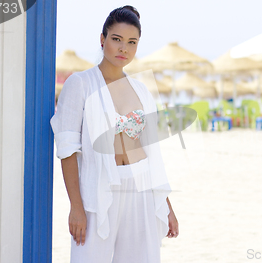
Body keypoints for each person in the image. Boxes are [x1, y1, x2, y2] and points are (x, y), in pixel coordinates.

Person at [50, 5, 178, 263]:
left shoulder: (141, 90)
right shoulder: (80, 83)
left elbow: (152, 153)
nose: (124, 49)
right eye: (117, 39)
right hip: (98, 192)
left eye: (132, 42)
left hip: (141, 191)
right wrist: (76, 206)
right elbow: (67, 148)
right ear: (102, 39)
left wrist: (167, 206)